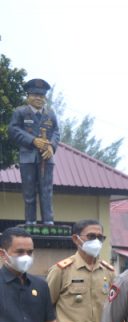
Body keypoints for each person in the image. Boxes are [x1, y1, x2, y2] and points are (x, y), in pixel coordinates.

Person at [8, 78, 60, 225]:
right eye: (35, 95)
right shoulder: (20, 112)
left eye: (41, 96)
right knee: (29, 191)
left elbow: (56, 132)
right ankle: (30, 221)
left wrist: (52, 147)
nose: (38, 98)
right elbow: (13, 129)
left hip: (46, 157)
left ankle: (48, 221)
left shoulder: (50, 114)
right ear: (28, 97)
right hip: (28, 157)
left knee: (46, 191)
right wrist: (32, 140)